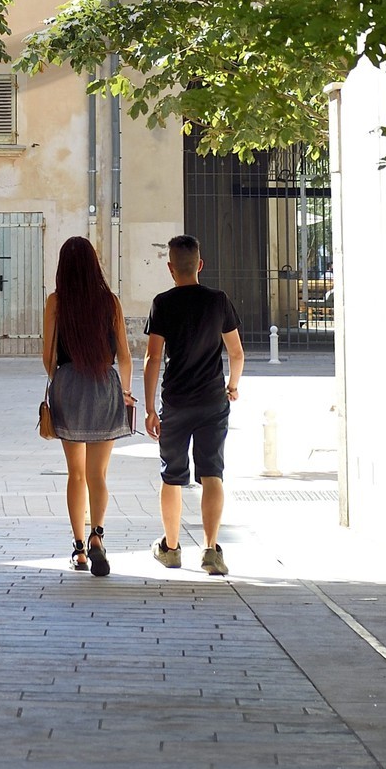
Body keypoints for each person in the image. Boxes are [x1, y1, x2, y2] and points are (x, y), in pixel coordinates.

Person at [142, 232, 243, 576]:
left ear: (171, 268)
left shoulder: (162, 303)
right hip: (212, 401)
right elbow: (237, 352)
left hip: (176, 402)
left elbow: (153, 358)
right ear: (200, 265)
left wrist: (150, 408)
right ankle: (211, 551)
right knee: (212, 473)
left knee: (172, 476)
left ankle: (170, 548)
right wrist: (232, 385)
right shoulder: (218, 301)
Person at [41, 235, 135, 577]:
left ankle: (79, 549)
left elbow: (47, 357)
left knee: (76, 473)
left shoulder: (56, 302)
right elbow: (125, 356)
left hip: (69, 386)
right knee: (98, 474)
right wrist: (125, 391)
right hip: (104, 385)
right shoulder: (110, 302)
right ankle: (98, 536)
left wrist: (61, 381)